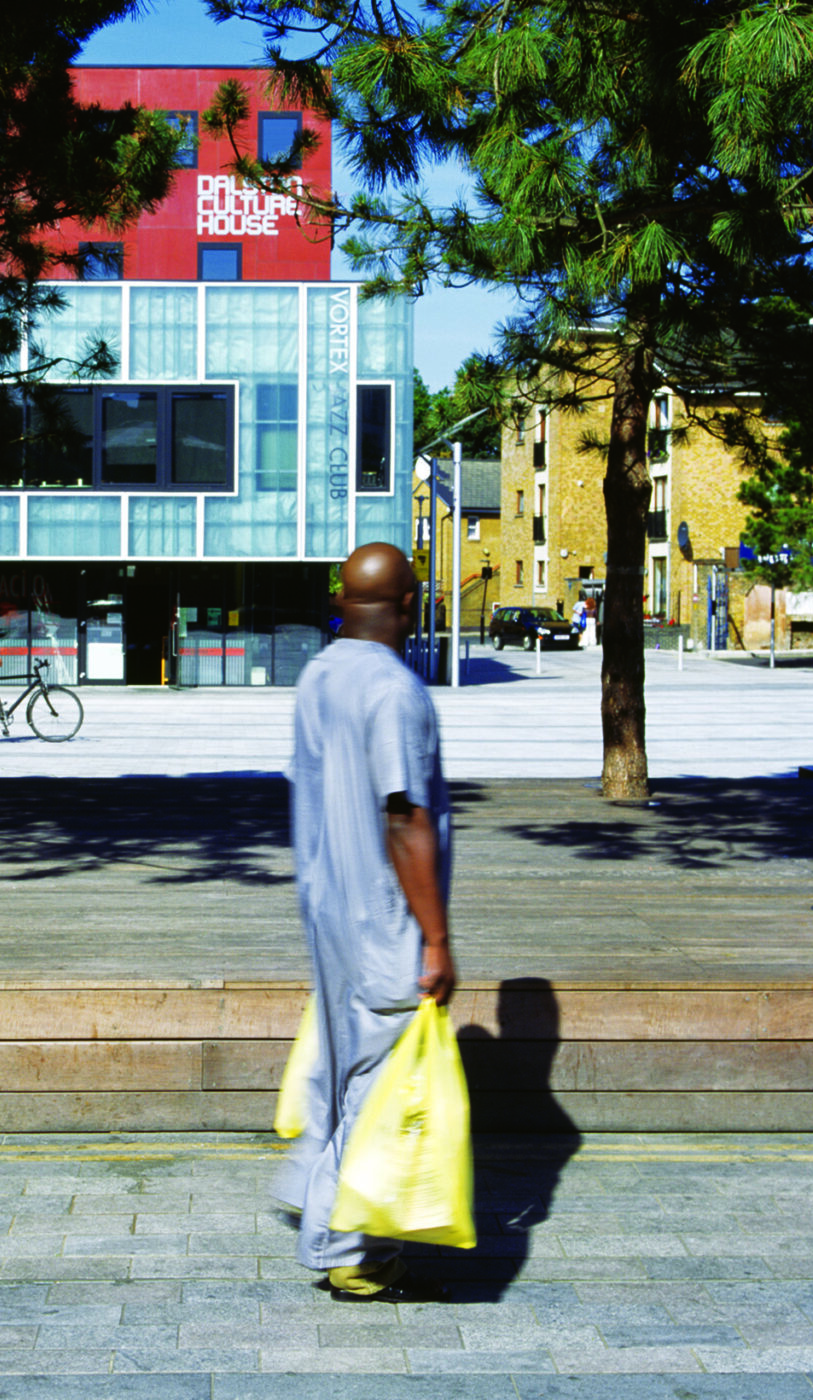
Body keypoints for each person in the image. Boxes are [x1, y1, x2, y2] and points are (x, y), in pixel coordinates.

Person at [279, 541, 455, 1302]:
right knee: (377, 1085)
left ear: (343, 601)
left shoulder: (318, 676)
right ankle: (347, 1247)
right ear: (411, 606)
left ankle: (307, 1188)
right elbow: (405, 816)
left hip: (326, 907)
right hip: (383, 918)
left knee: (341, 1065)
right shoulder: (396, 691)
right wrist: (438, 938)